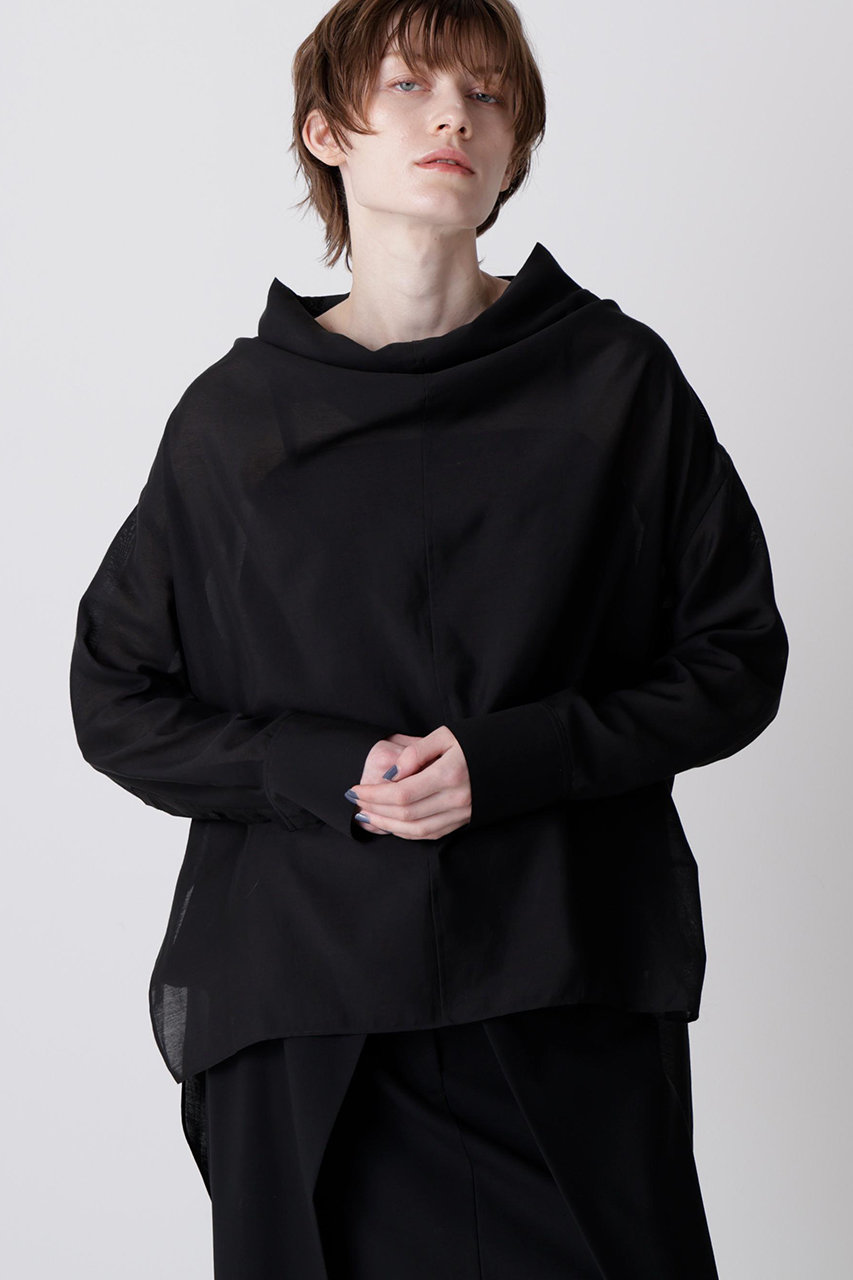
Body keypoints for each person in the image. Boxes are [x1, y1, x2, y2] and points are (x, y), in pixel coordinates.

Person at [69, 1, 789, 1277]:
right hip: (300, 1000)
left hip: (558, 977)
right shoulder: (234, 423)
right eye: (408, 83)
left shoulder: (614, 384)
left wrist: (509, 759)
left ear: (514, 150)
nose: (454, 112)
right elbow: (116, 694)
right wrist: (327, 772)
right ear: (325, 131)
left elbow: (734, 657)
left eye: (488, 93)